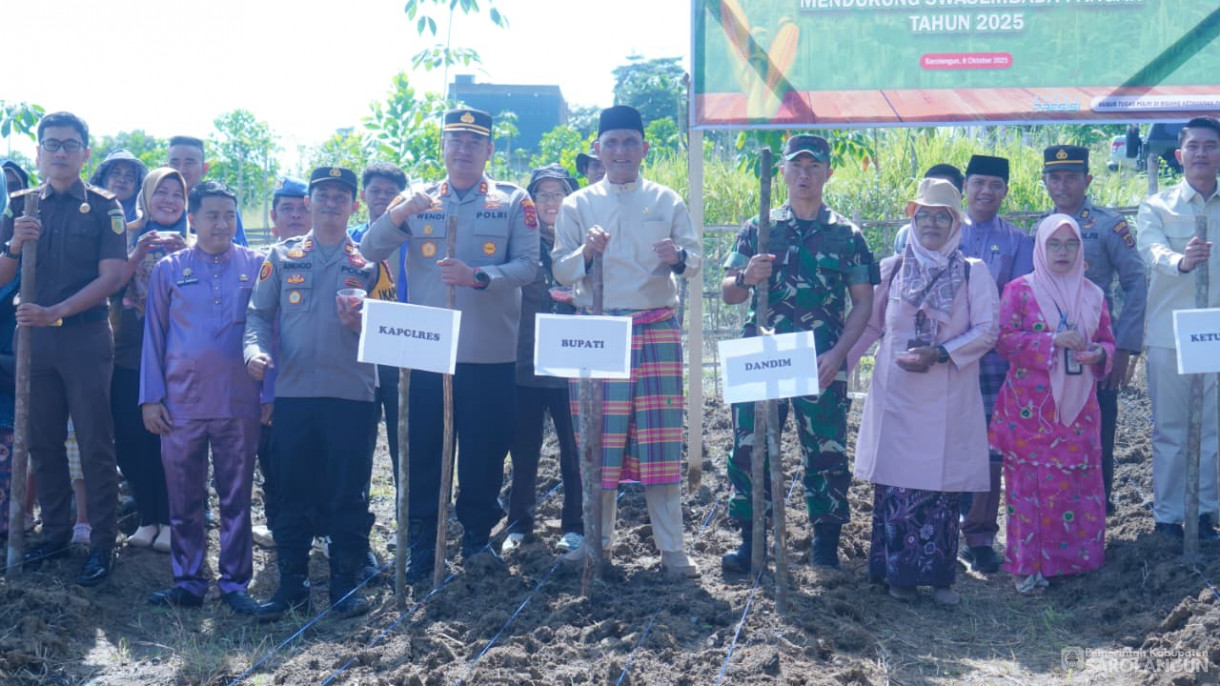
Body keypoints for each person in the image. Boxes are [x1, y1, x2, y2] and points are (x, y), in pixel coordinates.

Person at [359, 108, 538, 580]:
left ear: (489, 150)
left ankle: (476, 537)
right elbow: (370, 250)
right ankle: (423, 541)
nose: (463, 149)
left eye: (474, 142)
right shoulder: (418, 198)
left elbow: (528, 266)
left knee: (484, 449)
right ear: (443, 147)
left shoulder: (512, 200)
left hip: (487, 352)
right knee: (422, 450)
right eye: (455, 140)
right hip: (426, 352)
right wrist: (399, 213)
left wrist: (478, 276)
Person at [552, 105, 702, 578]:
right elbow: (560, 269)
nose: (621, 151)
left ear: (644, 148)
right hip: (599, 332)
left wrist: (677, 256)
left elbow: (695, 259)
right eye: (612, 143)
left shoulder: (666, 200)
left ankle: (672, 551)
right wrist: (586, 252)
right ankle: (596, 545)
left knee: (661, 441)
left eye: (630, 142)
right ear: (598, 149)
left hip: (655, 328)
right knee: (597, 443)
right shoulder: (578, 205)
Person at [720, 134, 878, 572]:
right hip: (761, 353)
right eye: (797, 166)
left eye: (814, 166)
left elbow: (863, 302)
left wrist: (840, 354)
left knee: (826, 450)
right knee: (749, 445)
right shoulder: (759, 228)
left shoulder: (847, 235)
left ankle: (825, 544)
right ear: (783, 172)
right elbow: (728, 292)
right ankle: (751, 541)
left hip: (819, 358)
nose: (804, 174)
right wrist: (747, 277)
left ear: (828, 173)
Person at [245, 166, 390, 619]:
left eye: (340, 196)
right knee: (292, 490)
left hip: (352, 396)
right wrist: (253, 352)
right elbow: (257, 316)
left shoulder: (370, 261)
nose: (331, 203)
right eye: (322, 195)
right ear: (308, 202)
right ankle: (293, 586)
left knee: (348, 492)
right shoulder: (281, 257)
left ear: (354, 205)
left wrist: (364, 324)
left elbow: (391, 328)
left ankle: (345, 585)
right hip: (294, 395)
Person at [849, 178, 999, 605]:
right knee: (898, 484)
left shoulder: (972, 272)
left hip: (946, 393)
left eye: (942, 216)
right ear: (913, 220)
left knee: (940, 487)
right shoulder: (892, 269)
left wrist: (941, 352)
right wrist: (837, 367)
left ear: (955, 224)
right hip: (897, 393)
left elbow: (987, 330)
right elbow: (870, 326)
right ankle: (897, 573)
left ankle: (938, 577)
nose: (932, 223)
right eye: (924, 215)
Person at [0, 112, 126, 586]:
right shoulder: (22, 205)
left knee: (94, 441)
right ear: (38, 153)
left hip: (83, 336)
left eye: (70, 145)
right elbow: (2, 274)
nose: (60, 152)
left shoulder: (105, 207)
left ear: (84, 153)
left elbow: (112, 276)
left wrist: (57, 311)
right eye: (51, 144)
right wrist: (14, 244)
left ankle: (101, 544)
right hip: (34, 340)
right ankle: (54, 535)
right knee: (42, 441)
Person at [141, 181, 265, 614]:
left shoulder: (256, 265)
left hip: (240, 400)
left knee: (237, 496)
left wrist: (268, 394)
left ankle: (235, 583)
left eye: (229, 215)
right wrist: (151, 398)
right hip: (181, 403)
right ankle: (189, 581)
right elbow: (154, 334)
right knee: (184, 497)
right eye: (212, 215)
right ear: (191, 219)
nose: (222, 224)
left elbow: (269, 329)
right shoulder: (169, 269)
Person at [990, 214, 1114, 592]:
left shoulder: (1092, 294)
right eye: (1054, 244)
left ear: (1081, 249)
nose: (1063, 252)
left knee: (1076, 482)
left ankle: (1074, 564)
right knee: (1029, 486)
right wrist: (1051, 342)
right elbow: (1003, 340)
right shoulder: (1019, 291)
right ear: (1040, 249)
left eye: (1071, 244)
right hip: (1029, 412)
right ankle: (1029, 566)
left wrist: (1098, 354)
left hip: (1078, 408)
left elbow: (1107, 340)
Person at [1040, 144, 1146, 513]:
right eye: (1054, 177)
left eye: (1071, 177)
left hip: (1096, 352)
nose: (1062, 185)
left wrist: (1125, 348)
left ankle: (1098, 509)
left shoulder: (1108, 225)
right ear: (1045, 181)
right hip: (1052, 352)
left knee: (1098, 430)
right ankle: (1055, 507)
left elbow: (1135, 282)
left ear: (1087, 180)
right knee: (1052, 429)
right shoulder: (1040, 227)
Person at [1136, 116, 1220, 541]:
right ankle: (1169, 516)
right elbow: (1150, 251)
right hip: (1170, 334)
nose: (1201, 153)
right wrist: (1181, 262)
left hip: (1215, 334)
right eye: (1194, 146)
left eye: (1210, 145)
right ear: (1179, 155)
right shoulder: (1157, 206)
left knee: (1211, 427)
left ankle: (1203, 512)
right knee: (1170, 428)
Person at [956, 154, 1034, 574]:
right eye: (978, 183)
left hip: (993, 357)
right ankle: (943, 528)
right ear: (965, 187)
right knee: (946, 438)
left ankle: (980, 535)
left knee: (990, 447)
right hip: (946, 354)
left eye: (995, 185)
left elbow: (1016, 300)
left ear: (1005, 191)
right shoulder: (946, 228)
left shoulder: (1018, 241)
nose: (986, 191)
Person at [501, 164, 584, 556]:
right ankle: (518, 524)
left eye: (559, 194)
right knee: (523, 450)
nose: (551, 202)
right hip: (526, 362)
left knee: (575, 450)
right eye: (543, 195)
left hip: (573, 363)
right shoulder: (518, 244)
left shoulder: (585, 243)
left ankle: (575, 526)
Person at [111, 168, 190, 552]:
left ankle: (174, 520)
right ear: (145, 196)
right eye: (162, 192)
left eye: (177, 194)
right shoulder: (124, 236)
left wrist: (187, 254)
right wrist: (138, 252)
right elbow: (110, 284)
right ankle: (147, 517)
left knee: (173, 439)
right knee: (131, 438)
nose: (169, 200)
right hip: (129, 352)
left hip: (178, 357)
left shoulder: (196, 241)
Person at [251, 175, 310, 550]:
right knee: (274, 459)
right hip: (272, 382)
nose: (295, 216)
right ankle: (279, 527)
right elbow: (259, 327)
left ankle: (319, 530)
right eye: (286, 209)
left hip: (318, 381)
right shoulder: (260, 262)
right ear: (273, 217)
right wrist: (266, 392)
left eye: (302, 209)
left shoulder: (340, 258)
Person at [348, 163, 407, 489]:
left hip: (402, 349)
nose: (383, 197)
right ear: (363, 195)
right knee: (358, 436)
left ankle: (407, 508)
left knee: (405, 437)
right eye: (376, 191)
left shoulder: (413, 237)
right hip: (360, 350)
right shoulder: (351, 239)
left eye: (390, 192)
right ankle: (357, 507)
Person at [166, 136, 249, 246]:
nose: (182, 170)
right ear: (165, 167)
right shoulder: (157, 205)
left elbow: (240, 249)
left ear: (204, 168)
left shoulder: (221, 204)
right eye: (175, 163)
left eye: (189, 163)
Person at [891, 163, 964, 254]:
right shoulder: (905, 236)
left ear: (959, 199)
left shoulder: (968, 241)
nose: (930, 223)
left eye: (942, 216)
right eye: (923, 215)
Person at [89, 149, 147, 224]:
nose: (122, 180)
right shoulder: (89, 209)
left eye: (129, 176)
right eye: (116, 173)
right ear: (104, 178)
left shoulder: (145, 216)